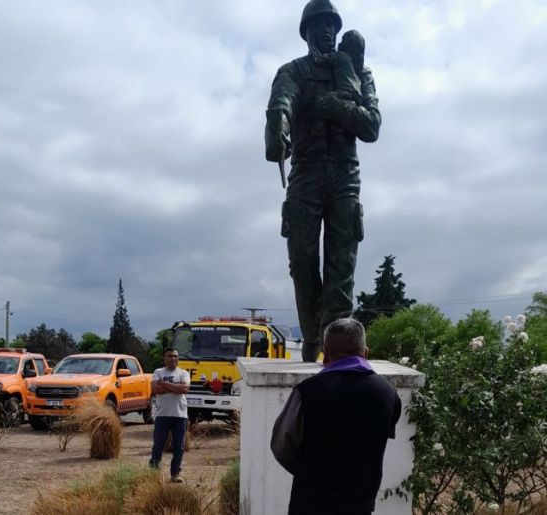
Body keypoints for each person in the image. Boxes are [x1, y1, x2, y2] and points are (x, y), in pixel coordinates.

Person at [265, 0, 382, 362]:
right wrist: (278, 130)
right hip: (306, 172)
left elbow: (372, 126)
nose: (327, 31)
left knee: (341, 264)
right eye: (319, 26)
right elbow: (281, 104)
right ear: (307, 33)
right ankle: (312, 335)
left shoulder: (359, 74)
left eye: (331, 25)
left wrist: (334, 105)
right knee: (301, 260)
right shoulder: (293, 71)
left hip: (345, 174)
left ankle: (337, 349)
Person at [271, 318, 401, 514]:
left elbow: (281, 447)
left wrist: (310, 474)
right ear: (366, 353)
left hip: (310, 504)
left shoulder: (306, 392)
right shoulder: (389, 394)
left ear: (325, 354)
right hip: (360, 506)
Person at [149, 348, 190, 483]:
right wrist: (175, 387)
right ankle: (153, 474)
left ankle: (175, 474)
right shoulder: (158, 372)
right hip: (162, 415)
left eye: (175, 356)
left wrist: (163, 383)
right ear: (164, 358)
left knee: (179, 447)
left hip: (180, 415)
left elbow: (184, 389)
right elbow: (155, 389)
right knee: (158, 445)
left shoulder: (183, 373)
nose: (172, 358)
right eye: (169, 356)